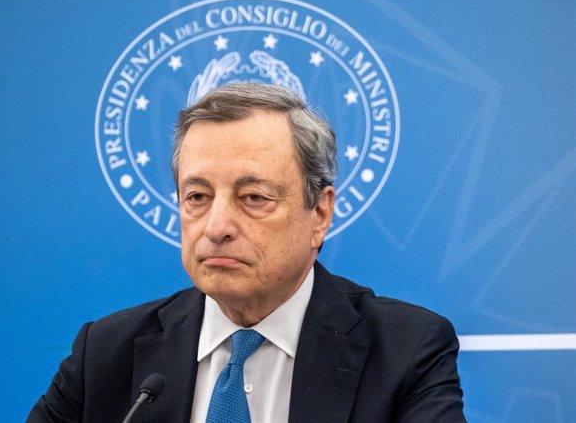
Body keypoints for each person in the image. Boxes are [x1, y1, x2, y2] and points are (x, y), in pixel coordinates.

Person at [28, 82, 465, 422]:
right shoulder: (106, 354)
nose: (217, 227)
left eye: (253, 197)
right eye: (197, 196)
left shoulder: (406, 352)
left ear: (320, 213)